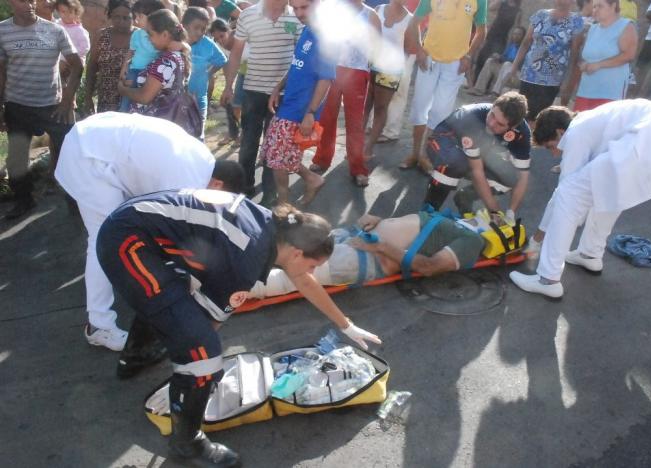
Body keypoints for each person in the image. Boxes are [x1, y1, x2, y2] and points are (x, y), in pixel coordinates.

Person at [96, 192, 381, 466]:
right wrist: (203, 374)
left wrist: (347, 325)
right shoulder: (247, 259)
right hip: (128, 242)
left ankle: (136, 355)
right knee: (202, 354)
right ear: (296, 254)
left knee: (177, 305)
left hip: (133, 228)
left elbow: (303, 281)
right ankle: (187, 444)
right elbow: (209, 324)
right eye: (312, 265)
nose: (312, 273)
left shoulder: (271, 227)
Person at [55, 112, 245, 352]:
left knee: (127, 235)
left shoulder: (202, 159)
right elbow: (173, 237)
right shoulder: (187, 181)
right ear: (217, 185)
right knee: (103, 238)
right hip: (89, 158)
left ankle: (116, 303)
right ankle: (98, 325)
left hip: (96, 140)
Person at [510, 100, 651, 299]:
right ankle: (589, 254)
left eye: (551, 146)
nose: (555, 153)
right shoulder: (595, 121)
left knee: (571, 193)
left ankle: (547, 279)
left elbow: (563, 193)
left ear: (560, 132)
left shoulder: (575, 133)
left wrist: (536, 240)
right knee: (607, 188)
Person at [250, 209, 486, 298]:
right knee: (284, 245)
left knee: (287, 278)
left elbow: (429, 266)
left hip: (367, 258)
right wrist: (380, 220)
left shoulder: (472, 240)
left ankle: (226, 290)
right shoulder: (458, 220)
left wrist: (381, 245)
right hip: (358, 239)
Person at [0, 0, 83, 220]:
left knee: (71, 153)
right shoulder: (3, 31)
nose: (29, 4)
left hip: (53, 106)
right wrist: (1, 107)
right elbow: (1, 72)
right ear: (10, 2)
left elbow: (77, 64)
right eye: (22, 0)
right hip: (17, 106)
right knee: (16, 159)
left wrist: (67, 100)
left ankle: (78, 202)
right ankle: (24, 201)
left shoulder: (53, 30)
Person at [219, 0, 301, 204]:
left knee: (274, 147)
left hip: (283, 94)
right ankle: (243, 189)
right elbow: (236, 53)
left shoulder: (296, 16)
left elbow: (300, 57)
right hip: (253, 90)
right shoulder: (248, 15)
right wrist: (229, 85)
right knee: (248, 143)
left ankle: (270, 194)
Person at [400, 0, 487, 174]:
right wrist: (420, 49)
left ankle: (425, 155)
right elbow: (414, 22)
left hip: (455, 65)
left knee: (440, 112)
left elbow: (481, 31)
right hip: (429, 59)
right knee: (419, 108)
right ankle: (415, 153)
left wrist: (468, 56)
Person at [263, 0, 334, 205]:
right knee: (276, 153)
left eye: (304, 7)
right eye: (295, 8)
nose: (299, 13)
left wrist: (310, 113)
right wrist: (279, 87)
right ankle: (312, 180)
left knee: (277, 159)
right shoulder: (306, 31)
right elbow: (297, 66)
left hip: (300, 110)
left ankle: (283, 206)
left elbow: (325, 79)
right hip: (289, 104)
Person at [421, 92, 531, 221]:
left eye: (500, 124)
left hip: (476, 149)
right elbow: (476, 171)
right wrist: (494, 210)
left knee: (511, 176)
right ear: (493, 105)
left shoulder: (522, 133)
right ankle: (428, 212)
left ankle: (465, 197)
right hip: (444, 140)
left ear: (513, 127)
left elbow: (523, 176)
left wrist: (510, 213)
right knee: (455, 162)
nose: (491, 123)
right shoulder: (473, 118)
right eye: (492, 115)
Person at [309, 0, 381, 188]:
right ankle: (322, 158)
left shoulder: (370, 14)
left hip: (357, 72)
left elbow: (377, 45)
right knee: (326, 118)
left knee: (355, 122)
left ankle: (358, 167)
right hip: (332, 70)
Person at [118, 9, 202, 137]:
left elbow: (145, 97)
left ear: (164, 35)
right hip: (167, 124)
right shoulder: (179, 56)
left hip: (152, 128)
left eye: (150, 34)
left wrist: (122, 90)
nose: (148, 39)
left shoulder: (164, 62)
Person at [509, 0, 585, 119]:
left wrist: (567, 81)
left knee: (536, 116)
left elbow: (574, 54)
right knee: (520, 113)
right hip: (528, 74)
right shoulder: (541, 15)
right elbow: (526, 42)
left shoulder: (576, 21)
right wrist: (513, 67)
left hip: (551, 79)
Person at [363, 0, 412, 162]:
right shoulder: (378, 9)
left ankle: (368, 148)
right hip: (370, 65)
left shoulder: (410, 19)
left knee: (380, 107)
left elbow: (408, 50)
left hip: (390, 70)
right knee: (364, 105)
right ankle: (355, 144)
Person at [572, 0, 637, 111]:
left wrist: (599, 65)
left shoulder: (626, 26)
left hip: (609, 93)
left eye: (600, 6)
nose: (595, 10)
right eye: (594, 7)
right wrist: (583, 64)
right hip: (586, 90)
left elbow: (628, 55)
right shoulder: (593, 29)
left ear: (613, 6)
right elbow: (587, 55)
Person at [183, 6, 227, 137]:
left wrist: (209, 73)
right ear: (184, 25)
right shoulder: (175, 42)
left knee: (198, 135)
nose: (200, 32)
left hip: (199, 99)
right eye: (196, 28)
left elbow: (222, 60)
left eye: (203, 29)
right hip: (177, 101)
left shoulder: (207, 44)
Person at [84, 0, 134, 114]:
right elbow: (92, 67)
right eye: (116, 17)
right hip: (106, 100)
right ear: (110, 15)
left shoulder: (140, 38)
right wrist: (88, 98)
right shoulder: (101, 36)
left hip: (132, 100)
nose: (121, 21)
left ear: (134, 17)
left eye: (126, 18)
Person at [118, 0, 166, 112]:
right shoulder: (136, 34)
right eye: (135, 16)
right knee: (128, 97)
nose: (136, 20)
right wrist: (124, 69)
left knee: (145, 99)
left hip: (151, 74)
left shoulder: (160, 36)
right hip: (134, 70)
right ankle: (123, 114)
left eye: (139, 17)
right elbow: (131, 52)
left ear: (152, 17)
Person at [210, 18, 245, 143]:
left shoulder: (241, 38)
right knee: (233, 104)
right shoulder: (222, 48)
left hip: (251, 71)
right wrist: (227, 88)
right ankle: (233, 133)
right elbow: (227, 67)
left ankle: (243, 134)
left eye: (222, 36)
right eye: (217, 39)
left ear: (229, 31)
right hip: (240, 72)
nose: (220, 41)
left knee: (246, 106)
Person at [472, 0, 522, 82]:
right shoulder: (502, 4)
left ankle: (485, 86)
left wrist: (511, 43)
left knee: (493, 59)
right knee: (481, 57)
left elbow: (515, 28)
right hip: (492, 33)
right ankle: (475, 83)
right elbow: (491, 8)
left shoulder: (518, 11)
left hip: (502, 38)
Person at [468, 26, 525, 96]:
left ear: (523, 36)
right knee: (490, 61)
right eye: (514, 34)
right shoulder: (511, 45)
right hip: (504, 71)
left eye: (519, 34)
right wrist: (497, 57)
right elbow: (504, 57)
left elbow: (519, 63)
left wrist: (502, 59)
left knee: (507, 64)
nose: (516, 36)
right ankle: (479, 89)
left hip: (515, 74)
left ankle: (495, 92)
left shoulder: (524, 48)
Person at [55, 0, 91, 65]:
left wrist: (70, 54)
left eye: (70, 12)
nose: (67, 15)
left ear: (76, 13)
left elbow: (85, 48)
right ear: (58, 12)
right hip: (59, 58)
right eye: (63, 12)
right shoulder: (57, 24)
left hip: (74, 61)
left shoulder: (79, 30)